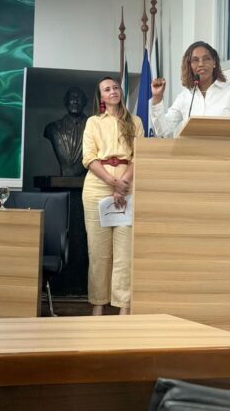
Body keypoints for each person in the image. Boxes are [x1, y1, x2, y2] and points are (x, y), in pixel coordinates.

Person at [82, 77, 144, 316]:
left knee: (124, 252)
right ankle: (98, 304)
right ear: (101, 97)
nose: (112, 91)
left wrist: (122, 184)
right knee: (98, 252)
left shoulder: (134, 122)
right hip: (98, 186)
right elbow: (89, 158)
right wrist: (112, 182)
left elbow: (139, 155)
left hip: (128, 186)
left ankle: (123, 307)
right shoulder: (93, 122)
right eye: (107, 89)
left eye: (115, 87)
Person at [150, 41, 230, 140]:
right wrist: (157, 98)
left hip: (223, 150)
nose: (201, 64)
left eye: (206, 59)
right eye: (195, 60)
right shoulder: (184, 97)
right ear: (190, 66)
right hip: (191, 151)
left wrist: (223, 144)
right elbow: (162, 130)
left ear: (214, 62)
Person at [44, 86, 88, 177]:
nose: (75, 101)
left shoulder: (94, 127)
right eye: (72, 97)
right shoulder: (53, 128)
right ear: (65, 101)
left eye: (79, 98)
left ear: (85, 102)